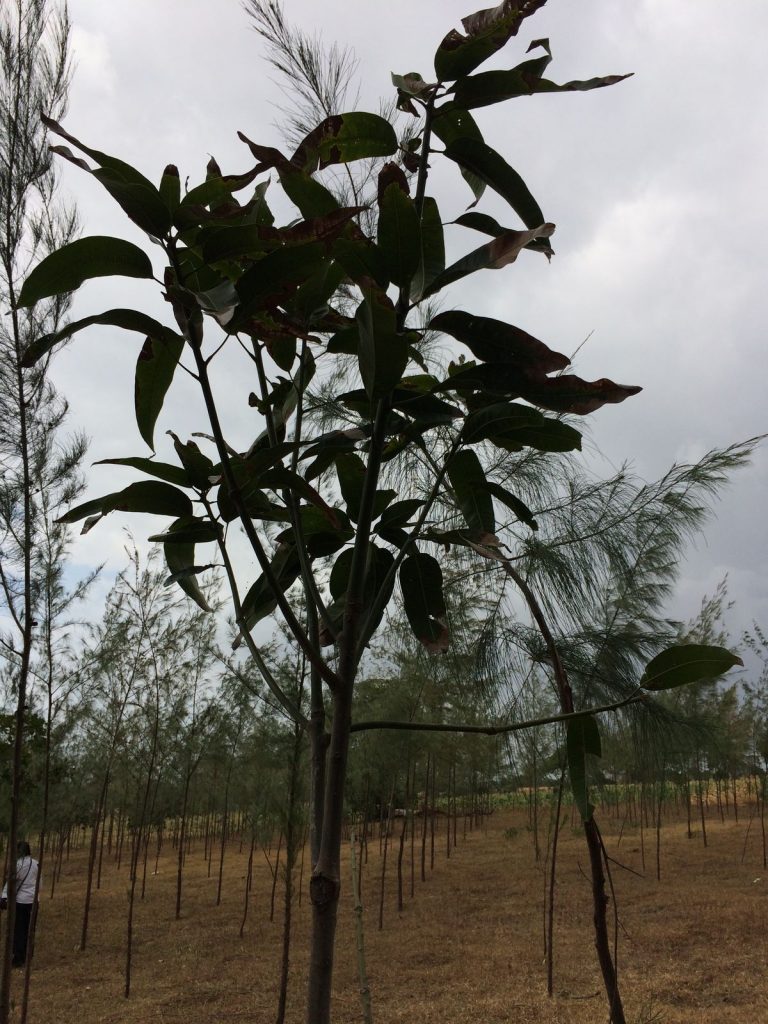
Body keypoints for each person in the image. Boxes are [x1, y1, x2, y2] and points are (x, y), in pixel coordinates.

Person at [1, 841, 39, 967]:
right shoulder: (36, 864)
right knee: (30, 928)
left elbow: (11, 882)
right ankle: (29, 954)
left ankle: (18, 958)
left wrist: (4, 897)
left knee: (19, 929)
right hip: (34, 901)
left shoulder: (18, 865)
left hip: (21, 902)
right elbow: (40, 883)